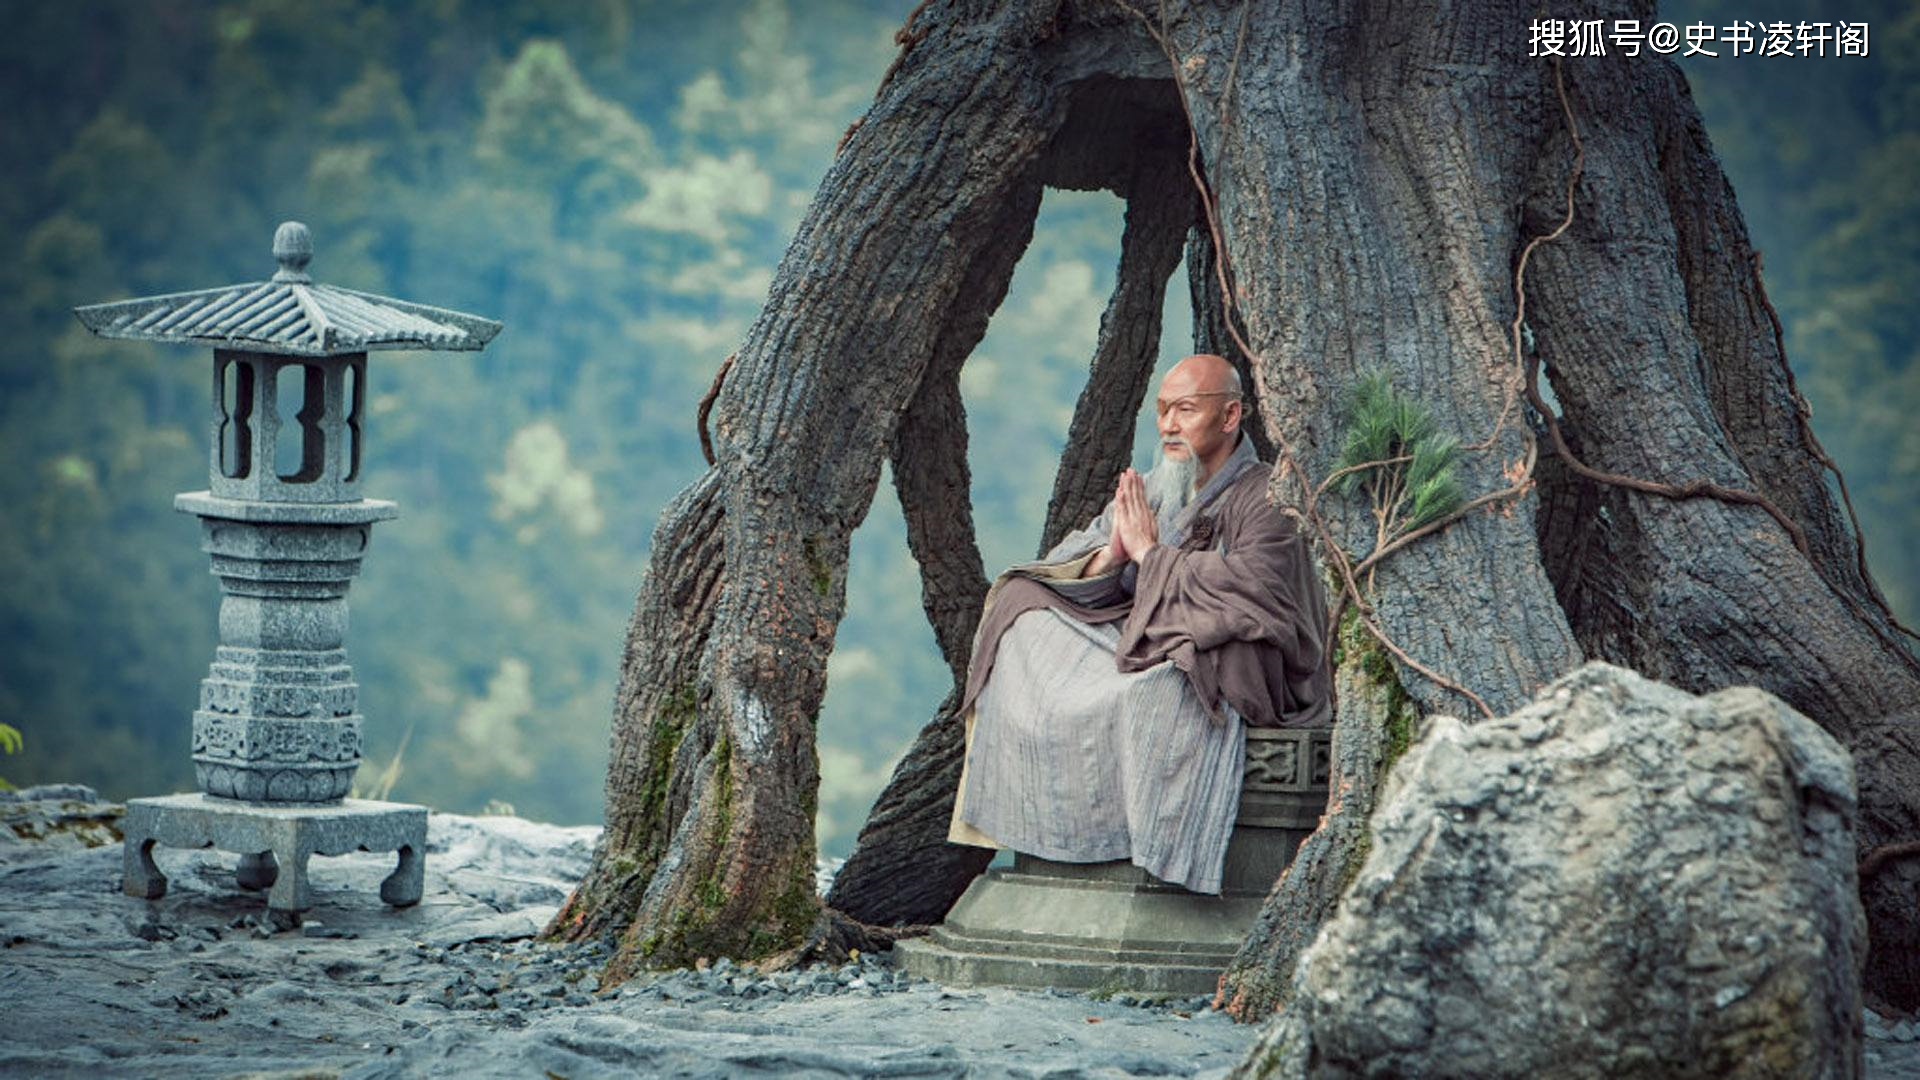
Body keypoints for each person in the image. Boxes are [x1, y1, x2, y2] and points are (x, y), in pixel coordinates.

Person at [947, 353, 1332, 895]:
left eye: (1185, 410)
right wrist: (1113, 554)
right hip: (1137, 641)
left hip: (1211, 652)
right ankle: (1048, 822)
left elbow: (1260, 590)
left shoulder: (1266, 496)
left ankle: (1153, 855)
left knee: (1165, 685)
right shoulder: (1152, 486)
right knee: (1022, 606)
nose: (1169, 425)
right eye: (1161, 411)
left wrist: (1153, 557)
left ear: (1229, 417)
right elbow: (1074, 554)